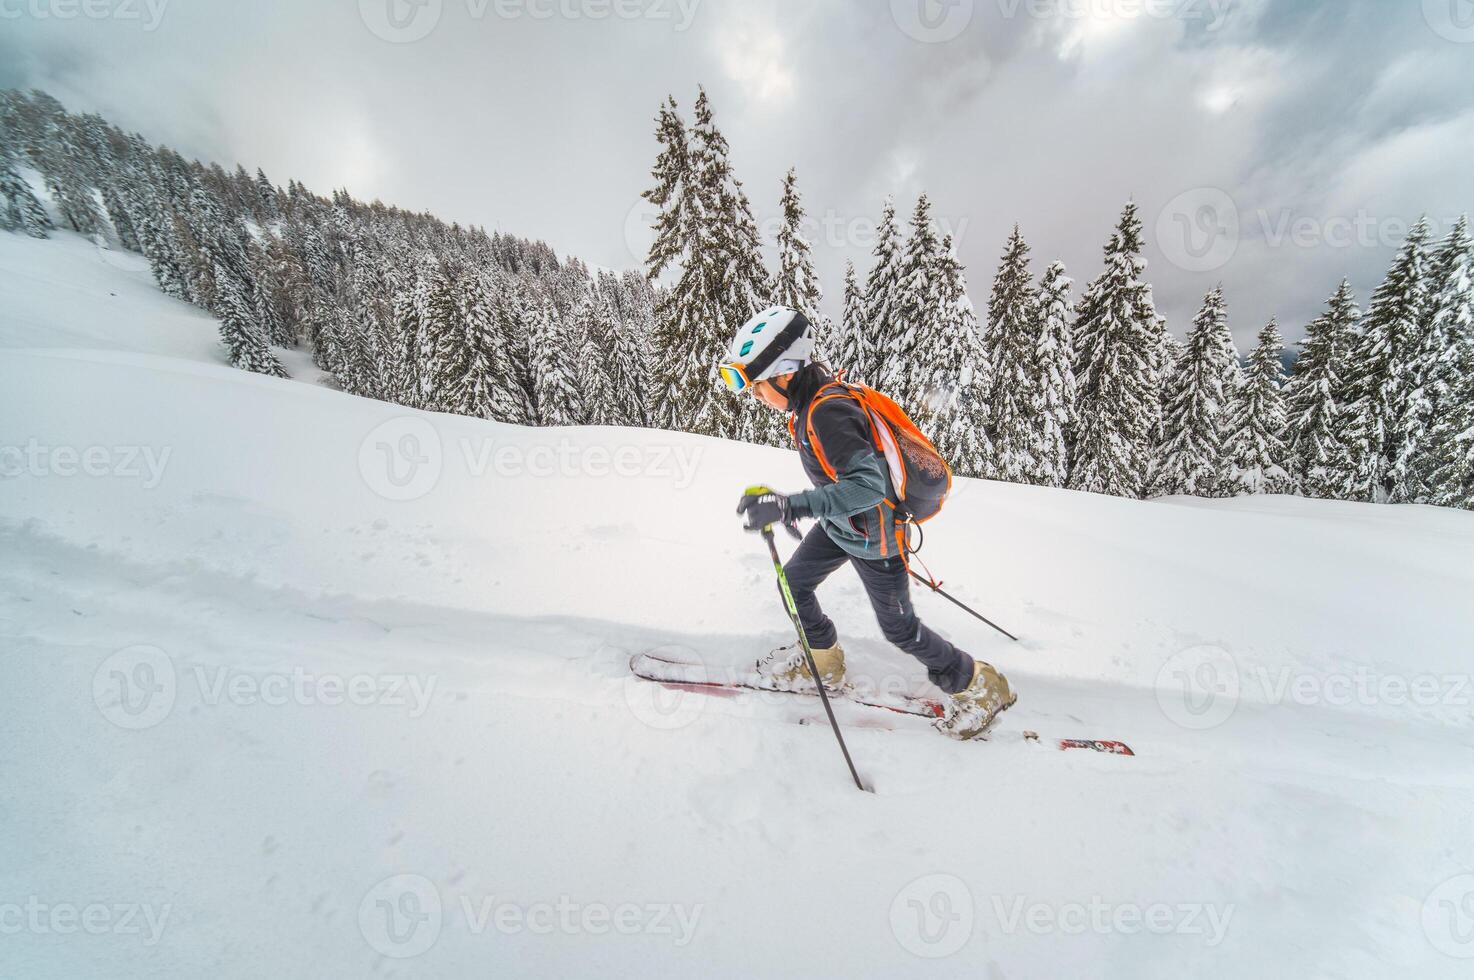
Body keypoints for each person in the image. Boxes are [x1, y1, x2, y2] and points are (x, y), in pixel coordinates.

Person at [721, 305, 1016, 739]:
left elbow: (868, 487)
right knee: (794, 582)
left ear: (785, 374)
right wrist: (796, 505)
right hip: (844, 527)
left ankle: (978, 685)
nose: (754, 394)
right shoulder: (810, 406)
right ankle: (822, 663)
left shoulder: (826, 412)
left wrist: (791, 507)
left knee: (899, 628)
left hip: (875, 538)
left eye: (757, 384)